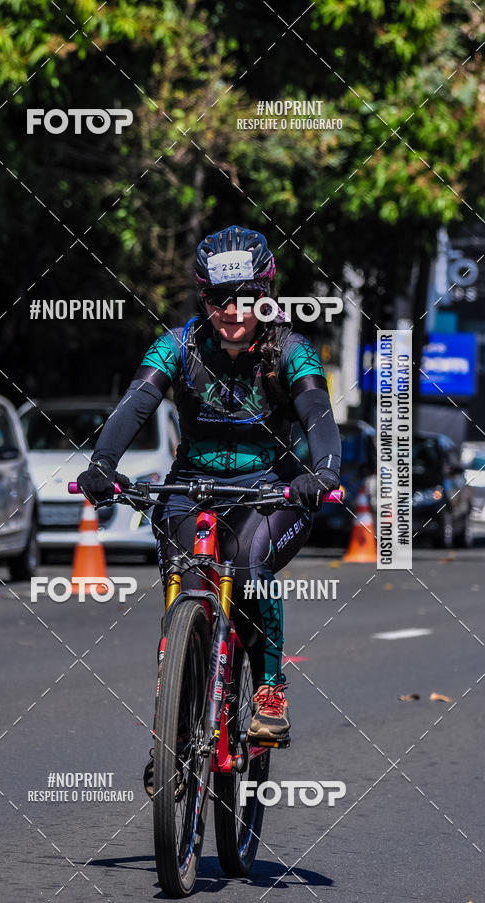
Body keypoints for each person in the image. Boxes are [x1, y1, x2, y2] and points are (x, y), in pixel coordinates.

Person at [76, 225, 341, 792]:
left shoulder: (290, 351)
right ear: (204, 299)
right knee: (183, 586)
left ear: (266, 294)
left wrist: (323, 474)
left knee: (246, 566)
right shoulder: (177, 345)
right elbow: (135, 404)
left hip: (272, 488)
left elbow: (318, 412)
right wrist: (102, 464)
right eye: (220, 299)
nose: (233, 311)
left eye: (246, 297)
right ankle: (170, 730)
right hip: (192, 484)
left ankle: (268, 690)